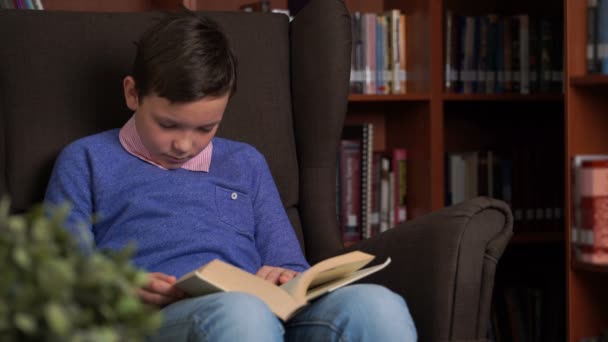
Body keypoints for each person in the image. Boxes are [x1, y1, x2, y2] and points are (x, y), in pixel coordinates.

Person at [44, 11, 417, 341]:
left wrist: (285, 278)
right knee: (243, 315)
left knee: (378, 305)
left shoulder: (246, 162)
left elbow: (291, 265)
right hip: (157, 321)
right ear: (132, 94)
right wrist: (118, 288)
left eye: (206, 128)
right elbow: (58, 276)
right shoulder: (85, 160)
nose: (184, 144)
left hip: (263, 314)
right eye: (168, 124)